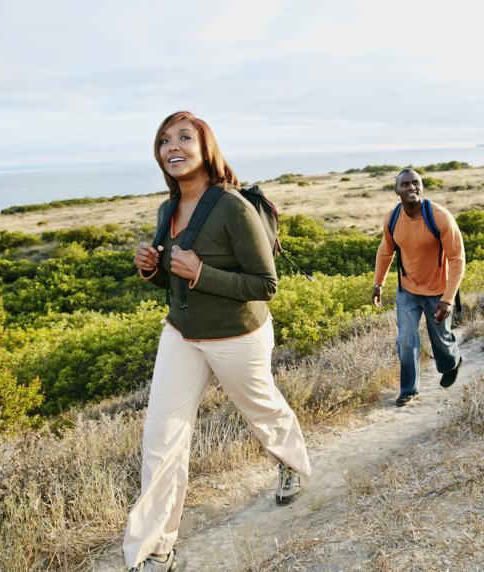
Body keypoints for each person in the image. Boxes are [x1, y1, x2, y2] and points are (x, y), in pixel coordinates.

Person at [125, 111, 311, 571]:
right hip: (181, 334)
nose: (173, 147)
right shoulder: (167, 210)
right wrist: (151, 269)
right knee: (161, 441)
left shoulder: (232, 207)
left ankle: (290, 462)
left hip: (237, 336)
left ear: (205, 148)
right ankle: (155, 549)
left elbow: (265, 284)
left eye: (184, 138)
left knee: (262, 408)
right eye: (164, 140)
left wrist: (202, 273)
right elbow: (173, 280)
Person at [372, 168, 466, 406]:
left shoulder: (440, 217)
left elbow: (457, 260)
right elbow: (385, 252)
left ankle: (452, 362)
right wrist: (378, 283)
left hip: (438, 291)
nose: (411, 187)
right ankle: (409, 390)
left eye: (416, 183)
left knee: (441, 338)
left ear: (422, 187)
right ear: (396, 190)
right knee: (406, 340)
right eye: (405, 184)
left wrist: (448, 298)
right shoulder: (392, 219)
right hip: (407, 291)